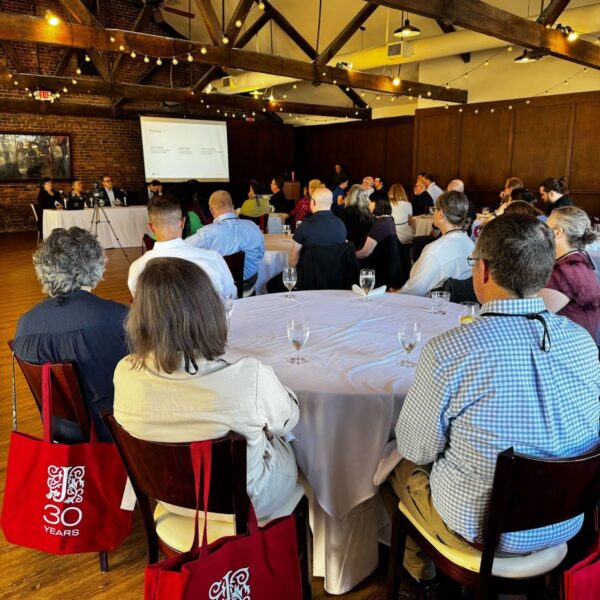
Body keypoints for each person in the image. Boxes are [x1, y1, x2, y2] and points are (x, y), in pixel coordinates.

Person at [384, 214, 600, 590]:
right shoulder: (583, 343)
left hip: (483, 534)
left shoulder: (450, 350)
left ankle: (420, 574)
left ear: (482, 270)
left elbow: (416, 448)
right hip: (567, 520)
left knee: (390, 465)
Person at [114, 257, 300, 522]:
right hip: (246, 505)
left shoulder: (124, 372)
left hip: (169, 497)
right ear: (209, 310)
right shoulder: (249, 375)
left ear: (140, 318)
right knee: (298, 448)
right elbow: (288, 421)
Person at [13, 227, 128, 442]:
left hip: (60, 433)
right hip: (115, 432)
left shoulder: (24, 325)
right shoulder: (119, 318)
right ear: (94, 264)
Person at [128, 194, 236, 298]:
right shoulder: (213, 259)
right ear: (183, 222)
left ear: (151, 227)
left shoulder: (137, 268)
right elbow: (230, 295)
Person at [539, 206, 600, 344]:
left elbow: (531, 314)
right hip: (583, 345)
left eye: (545, 228)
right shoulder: (579, 259)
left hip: (569, 352)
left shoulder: (566, 271)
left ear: (558, 232)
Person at [186, 190, 265, 292]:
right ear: (232, 206)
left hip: (220, 287)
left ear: (211, 210)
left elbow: (183, 247)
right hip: (248, 283)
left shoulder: (207, 232)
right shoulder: (252, 226)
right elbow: (261, 254)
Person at [400, 191, 474, 296]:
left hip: (436, 307)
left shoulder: (434, 251)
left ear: (441, 214)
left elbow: (414, 291)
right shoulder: (471, 244)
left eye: (434, 209)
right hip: (462, 308)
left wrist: (395, 293)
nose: (433, 213)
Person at [288, 187, 347, 268]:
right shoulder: (341, 224)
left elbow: (293, 258)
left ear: (313, 202)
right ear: (331, 202)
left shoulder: (305, 226)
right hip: (335, 277)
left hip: (309, 277)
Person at [337, 184, 374, 250]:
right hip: (365, 248)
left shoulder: (344, 213)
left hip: (348, 249)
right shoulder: (369, 213)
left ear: (350, 196)